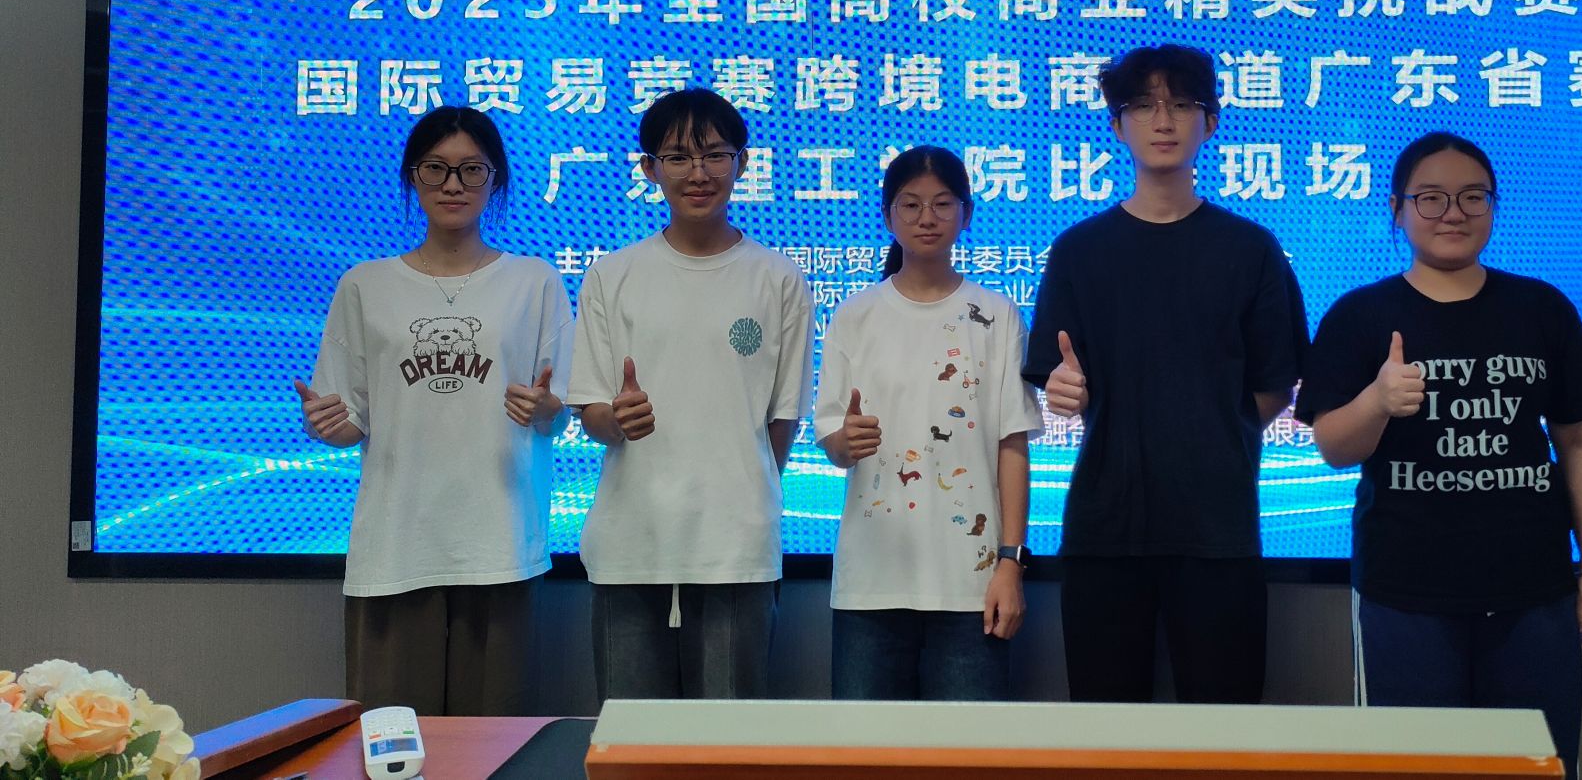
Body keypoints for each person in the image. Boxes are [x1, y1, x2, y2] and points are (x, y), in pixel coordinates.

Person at [1294, 131, 1582, 780]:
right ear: (1397, 209)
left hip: (1534, 589)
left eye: (1473, 197)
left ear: (1494, 206)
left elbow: (1580, 442)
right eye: (1431, 197)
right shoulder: (1360, 315)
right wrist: (1378, 400)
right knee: (1414, 769)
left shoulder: (1542, 308)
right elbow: (1333, 446)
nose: (1453, 213)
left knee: (1536, 768)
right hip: (1404, 592)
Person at [1022, 44, 1308, 703]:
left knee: (1225, 729)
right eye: (1143, 105)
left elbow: (1275, 382)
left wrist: (1212, 428)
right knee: (1107, 730)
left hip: (1218, 529)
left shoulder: (1250, 248)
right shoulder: (1080, 250)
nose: (1163, 120)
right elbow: (1056, 376)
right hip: (1105, 526)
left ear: (1211, 122)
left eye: (1181, 104)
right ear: (1116, 125)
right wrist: (1064, 391)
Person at [297, 105, 571, 716]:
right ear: (411, 178)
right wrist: (328, 427)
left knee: (493, 743)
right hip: (397, 546)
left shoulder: (535, 281)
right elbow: (349, 421)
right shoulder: (365, 284)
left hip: (498, 544)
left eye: (472, 169)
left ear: (495, 180)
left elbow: (559, 415)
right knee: (395, 745)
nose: (453, 185)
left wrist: (548, 406)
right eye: (435, 169)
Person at [565, 87, 813, 700]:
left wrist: (739, 495)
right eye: (677, 157)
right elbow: (590, 409)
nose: (698, 174)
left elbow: (781, 420)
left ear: (742, 164)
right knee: (632, 736)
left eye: (714, 155)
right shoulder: (612, 275)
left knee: (727, 739)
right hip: (631, 543)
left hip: (736, 548)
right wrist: (616, 419)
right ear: (649, 169)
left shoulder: (778, 278)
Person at [813, 146, 1042, 700]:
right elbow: (833, 443)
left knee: (968, 747)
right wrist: (846, 441)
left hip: (972, 585)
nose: (927, 218)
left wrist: (1010, 563)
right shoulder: (855, 315)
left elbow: (1012, 447)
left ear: (966, 214)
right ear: (888, 216)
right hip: (872, 585)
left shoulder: (997, 315)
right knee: (864, 747)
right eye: (911, 204)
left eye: (943, 204)